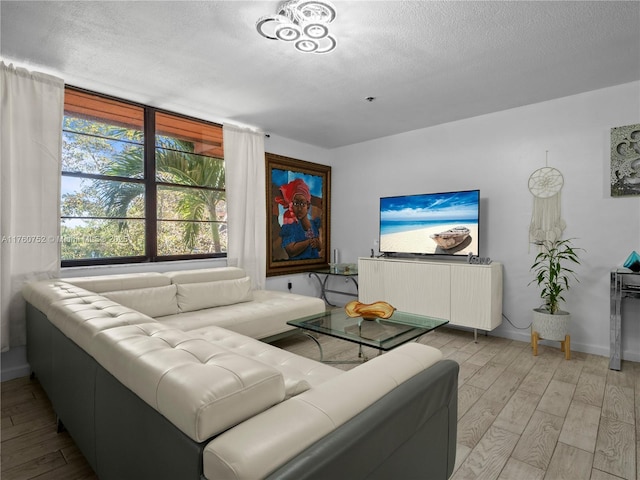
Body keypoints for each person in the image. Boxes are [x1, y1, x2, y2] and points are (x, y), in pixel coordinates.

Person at [278, 178, 322, 259]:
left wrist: (317, 243)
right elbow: (291, 251)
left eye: (302, 203)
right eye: (296, 203)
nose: (299, 208)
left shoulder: (313, 224)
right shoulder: (289, 227)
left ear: (308, 206)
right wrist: (308, 242)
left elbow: (319, 248)